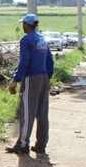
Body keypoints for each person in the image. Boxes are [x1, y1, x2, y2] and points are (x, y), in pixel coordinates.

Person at [7, 13, 54, 156]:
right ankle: (41, 145)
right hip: (44, 76)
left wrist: (15, 80)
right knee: (42, 112)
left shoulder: (26, 40)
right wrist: (49, 78)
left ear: (27, 25)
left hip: (31, 77)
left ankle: (22, 144)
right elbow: (50, 61)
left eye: (23, 24)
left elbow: (24, 62)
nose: (22, 26)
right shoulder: (42, 40)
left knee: (28, 111)